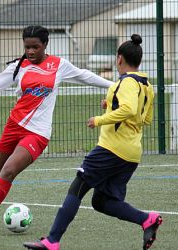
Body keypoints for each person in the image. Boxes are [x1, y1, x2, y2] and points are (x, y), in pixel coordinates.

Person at [0, 25, 113, 234]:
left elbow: (85, 76)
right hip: (13, 126)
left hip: (37, 133)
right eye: (27, 47)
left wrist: (115, 85)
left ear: (45, 45)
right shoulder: (18, 66)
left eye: (35, 47)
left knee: (8, 171)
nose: (31, 51)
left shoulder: (59, 65)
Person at [23, 34, 161, 250]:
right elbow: (145, 118)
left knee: (78, 187)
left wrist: (100, 119)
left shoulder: (125, 82)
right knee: (101, 202)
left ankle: (52, 240)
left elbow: (128, 110)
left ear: (119, 59)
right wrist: (111, 105)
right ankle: (147, 219)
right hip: (132, 153)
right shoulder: (146, 85)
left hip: (111, 149)